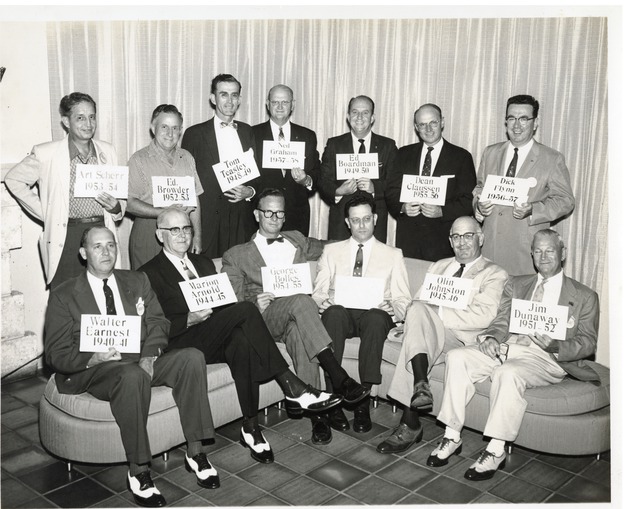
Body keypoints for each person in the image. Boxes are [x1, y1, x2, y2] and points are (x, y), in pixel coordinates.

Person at [139, 207, 341, 464]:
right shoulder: (148, 273)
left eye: (187, 229)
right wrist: (188, 319)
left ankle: (251, 426)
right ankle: (291, 383)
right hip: (182, 340)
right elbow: (153, 325)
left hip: (212, 333)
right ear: (160, 235)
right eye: (174, 230)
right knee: (245, 309)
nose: (182, 235)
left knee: (242, 341)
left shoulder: (202, 263)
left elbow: (223, 305)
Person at [44, 226, 218, 507]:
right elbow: (55, 352)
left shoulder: (136, 280)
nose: (105, 252)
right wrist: (93, 357)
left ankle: (196, 452)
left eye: (111, 245)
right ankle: (139, 471)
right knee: (131, 375)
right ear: (83, 252)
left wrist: (149, 356)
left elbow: (158, 323)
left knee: (191, 357)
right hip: (97, 368)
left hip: (140, 358)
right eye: (97, 246)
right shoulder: (65, 294)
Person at [428, 229, 599, 481]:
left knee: (507, 373)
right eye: (538, 251)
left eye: (550, 250)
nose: (544, 257)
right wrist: (492, 338)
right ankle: (451, 436)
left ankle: (495, 450)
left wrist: (556, 344)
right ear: (531, 255)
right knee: (457, 357)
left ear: (562, 254)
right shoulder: (517, 284)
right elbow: (501, 320)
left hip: (546, 358)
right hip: (507, 348)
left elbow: (588, 342)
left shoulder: (584, 296)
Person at [221, 188, 370, 445]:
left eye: (280, 213)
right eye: (269, 212)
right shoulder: (236, 254)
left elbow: (329, 246)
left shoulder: (296, 239)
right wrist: (253, 302)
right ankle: (338, 376)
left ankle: (319, 416)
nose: (275, 218)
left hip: (298, 317)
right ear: (257, 215)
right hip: (264, 319)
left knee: (300, 334)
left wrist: (361, 241)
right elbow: (231, 305)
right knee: (303, 300)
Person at [376, 216, 508, 454]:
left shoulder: (494, 273)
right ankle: (419, 389)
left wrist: (437, 312)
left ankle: (412, 417)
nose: (462, 242)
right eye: (456, 236)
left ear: (481, 238)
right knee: (417, 311)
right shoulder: (438, 266)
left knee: (418, 325)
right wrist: (423, 314)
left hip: (462, 339)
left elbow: (484, 316)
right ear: (449, 240)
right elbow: (416, 303)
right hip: (429, 331)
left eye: (468, 235)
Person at [312, 191, 411, 433]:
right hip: (342, 313)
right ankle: (335, 399)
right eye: (355, 220)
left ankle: (362, 401)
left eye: (366, 219)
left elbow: (403, 298)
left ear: (375, 219)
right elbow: (318, 292)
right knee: (333, 313)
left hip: (374, 316)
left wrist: (393, 310)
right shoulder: (332, 251)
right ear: (347, 223)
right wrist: (324, 302)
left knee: (377, 318)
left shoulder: (393, 254)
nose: (361, 225)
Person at [5, 92, 125, 288]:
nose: (88, 123)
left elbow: (120, 202)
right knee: (66, 298)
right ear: (66, 122)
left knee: (103, 294)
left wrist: (115, 207)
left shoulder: (108, 151)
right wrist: (48, 212)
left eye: (92, 117)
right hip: (67, 236)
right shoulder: (47, 153)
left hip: (102, 232)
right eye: (80, 118)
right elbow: (14, 179)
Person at [473, 94, 575, 276]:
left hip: (524, 251)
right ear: (506, 122)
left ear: (535, 123)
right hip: (489, 247)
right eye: (511, 118)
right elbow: (479, 187)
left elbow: (565, 201)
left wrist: (533, 210)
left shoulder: (551, 158)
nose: (517, 125)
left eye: (524, 119)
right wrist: (478, 206)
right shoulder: (490, 152)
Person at [385, 104, 476, 261]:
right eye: (422, 124)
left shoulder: (461, 157)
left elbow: (468, 200)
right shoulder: (403, 154)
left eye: (433, 123)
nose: (428, 129)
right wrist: (402, 207)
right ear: (416, 127)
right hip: (409, 240)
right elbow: (391, 191)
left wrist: (442, 211)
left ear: (442, 122)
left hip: (443, 241)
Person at [181, 74, 258, 259]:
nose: (229, 100)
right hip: (208, 222)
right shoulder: (194, 133)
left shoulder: (248, 131)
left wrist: (250, 192)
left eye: (234, 95)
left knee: (239, 275)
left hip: (241, 220)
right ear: (213, 98)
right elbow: (186, 183)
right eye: (224, 94)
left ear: (239, 99)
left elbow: (257, 177)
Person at [127, 104, 203, 269]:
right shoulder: (138, 159)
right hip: (150, 231)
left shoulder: (187, 157)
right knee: (148, 286)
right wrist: (165, 212)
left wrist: (197, 236)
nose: (170, 134)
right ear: (153, 128)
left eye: (175, 128)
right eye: (164, 127)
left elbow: (195, 199)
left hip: (182, 234)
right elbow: (130, 203)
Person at [318, 95, 398, 242]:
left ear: (372, 117)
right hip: (342, 220)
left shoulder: (388, 146)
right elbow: (323, 180)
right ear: (348, 117)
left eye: (365, 112)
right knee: (339, 262)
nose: (359, 117)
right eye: (355, 112)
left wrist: (375, 188)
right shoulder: (334, 144)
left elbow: (394, 182)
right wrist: (338, 191)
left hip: (375, 219)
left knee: (374, 263)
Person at [252, 84, 320, 236]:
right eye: (275, 102)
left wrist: (306, 180)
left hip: (296, 215)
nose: (280, 106)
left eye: (285, 102)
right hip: (264, 217)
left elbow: (317, 173)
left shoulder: (307, 136)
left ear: (292, 105)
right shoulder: (252, 134)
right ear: (267, 104)